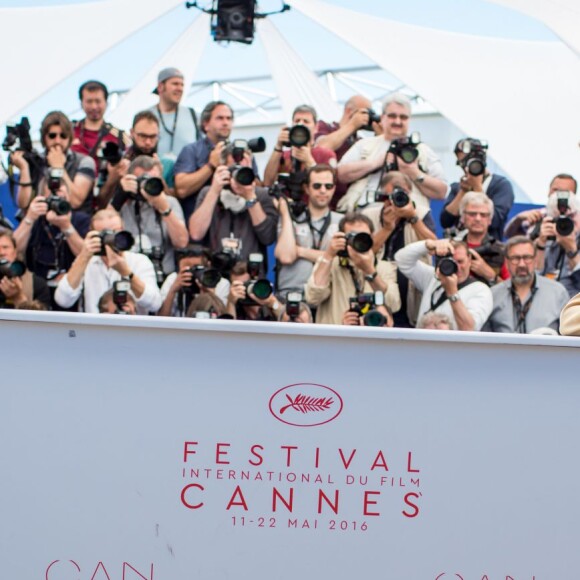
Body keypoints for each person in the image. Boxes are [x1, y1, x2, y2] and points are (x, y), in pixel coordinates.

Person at [337, 92, 447, 212]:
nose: (397, 121)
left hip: (408, 218)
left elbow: (442, 192)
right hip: (366, 218)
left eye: (403, 117)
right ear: (382, 117)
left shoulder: (422, 150)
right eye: (392, 116)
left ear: (409, 120)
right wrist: (374, 163)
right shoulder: (365, 145)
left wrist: (414, 172)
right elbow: (340, 174)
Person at [362, 171, 436, 327]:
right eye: (389, 196)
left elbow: (434, 246)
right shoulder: (370, 214)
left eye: (399, 194)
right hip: (377, 286)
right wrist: (387, 228)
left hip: (410, 288)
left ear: (409, 192)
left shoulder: (422, 213)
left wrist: (413, 218)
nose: (394, 201)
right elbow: (363, 253)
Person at [54, 207, 162, 314]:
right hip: (95, 328)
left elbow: (155, 304)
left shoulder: (139, 261)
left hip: (131, 328)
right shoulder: (87, 263)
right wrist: (83, 256)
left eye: (116, 232)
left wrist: (126, 273)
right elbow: (63, 300)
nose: (112, 238)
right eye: (105, 234)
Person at [188, 142, 277, 267]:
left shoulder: (261, 195)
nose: (237, 175)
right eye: (234, 169)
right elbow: (196, 233)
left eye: (242, 169)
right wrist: (214, 190)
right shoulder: (209, 193)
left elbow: (268, 237)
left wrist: (250, 196)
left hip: (249, 272)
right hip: (216, 274)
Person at [304, 212, 400, 325]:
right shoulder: (330, 264)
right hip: (335, 338)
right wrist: (328, 255)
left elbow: (394, 305)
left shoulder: (385, 267)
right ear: (342, 238)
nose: (358, 240)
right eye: (353, 236)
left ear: (372, 238)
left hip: (370, 338)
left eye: (363, 236)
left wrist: (370, 271)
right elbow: (313, 298)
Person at [12, 179, 89, 306]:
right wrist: (29, 219)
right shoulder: (36, 218)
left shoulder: (80, 220)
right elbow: (13, 250)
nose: (57, 200)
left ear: (68, 196)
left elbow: (86, 255)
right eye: (53, 195)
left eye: (61, 194)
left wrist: (66, 227)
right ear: (43, 198)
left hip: (71, 290)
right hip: (38, 289)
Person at [111, 156, 188, 281]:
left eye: (153, 180)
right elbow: (103, 227)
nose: (148, 185)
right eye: (143, 179)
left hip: (162, 275)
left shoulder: (170, 203)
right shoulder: (123, 204)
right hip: (130, 274)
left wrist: (164, 209)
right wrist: (119, 196)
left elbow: (181, 243)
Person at [395, 238, 492, 331]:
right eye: (451, 262)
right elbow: (401, 259)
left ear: (469, 259)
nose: (456, 267)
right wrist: (428, 245)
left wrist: (452, 293)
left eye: (460, 261)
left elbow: (469, 328)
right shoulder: (432, 278)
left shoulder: (481, 290)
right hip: (422, 344)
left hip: (452, 347)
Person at [275, 164, 342, 299]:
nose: (323, 191)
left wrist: (300, 251)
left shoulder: (342, 221)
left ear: (334, 189)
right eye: (317, 186)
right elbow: (286, 256)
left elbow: (340, 261)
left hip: (328, 296)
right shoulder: (291, 218)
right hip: (291, 293)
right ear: (307, 188)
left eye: (328, 186)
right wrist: (286, 213)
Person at [174, 100, 248, 222]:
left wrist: (245, 170)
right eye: (220, 118)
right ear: (205, 124)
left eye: (229, 119)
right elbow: (181, 190)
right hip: (199, 226)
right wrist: (210, 166)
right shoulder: (191, 151)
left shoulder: (241, 151)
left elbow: (259, 187)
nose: (225, 123)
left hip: (235, 226)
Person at [14, 111, 96, 214]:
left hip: (73, 224)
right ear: (44, 137)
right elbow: (23, 203)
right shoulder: (35, 160)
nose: (58, 141)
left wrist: (58, 167)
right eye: (52, 136)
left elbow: (75, 202)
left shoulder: (84, 161)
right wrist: (24, 168)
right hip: (39, 224)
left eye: (63, 136)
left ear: (70, 137)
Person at [484, 236, 569, 334]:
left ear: (535, 260)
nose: (521, 264)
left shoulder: (558, 292)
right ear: (506, 262)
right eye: (515, 258)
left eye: (527, 257)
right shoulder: (493, 295)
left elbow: (568, 336)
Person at [440, 138, 514, 240]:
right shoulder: (457, 187)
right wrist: (463, 191)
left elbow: (495, 220)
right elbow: (445, 221)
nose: (467, 166)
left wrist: (477, 186)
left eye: (470, 161)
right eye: (462, 163)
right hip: (459, 245)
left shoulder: (501, 185)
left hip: (489, 248)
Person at [263, 105, 336, 187]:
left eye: (306, 121)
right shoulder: (285, 155)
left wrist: (310, 162)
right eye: (297, 121)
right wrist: (278, 147)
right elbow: (267, 182)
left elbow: (328, 188)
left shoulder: (326, 154)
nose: (301, 124)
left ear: (316, 128)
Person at [71, 80, 130, 170]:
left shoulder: (120, 136)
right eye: (89, 101)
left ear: (106, 103)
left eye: (98, 101)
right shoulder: (68, 132)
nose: (94, 106)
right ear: (81, 103)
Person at [158, 245, 230, 317]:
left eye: (196, 267)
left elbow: (223, 320)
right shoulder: (172, 279)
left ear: (208, 266)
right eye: (187, 268)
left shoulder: (220, 283)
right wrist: (172, 291)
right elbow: (161, 318)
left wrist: (210, 294)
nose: (192, 272)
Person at [453, 192, 509, 285]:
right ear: (462, 217)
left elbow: (512, 292)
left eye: (483, 215)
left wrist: (490, 275)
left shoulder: (502, 251)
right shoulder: (451, 247)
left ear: (490, 219)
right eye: (472, 214)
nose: (478, 218)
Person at [534, 190, 580, 298]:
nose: (565, 224)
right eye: (559, 220)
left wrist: (571, 250)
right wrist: (540, 245)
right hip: (546, 303)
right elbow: (532, 281)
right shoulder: (547, 241)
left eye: (571, 216)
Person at [504, 173, 578, 239]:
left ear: (574, 195)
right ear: (549, 192)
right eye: (555, 190)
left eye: (565, 192)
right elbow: (509, 235)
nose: (559, 195)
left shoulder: (578, 221)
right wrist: (518, 219)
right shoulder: (537, 216)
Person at [149, 67, 199, 159]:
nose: (180, 88)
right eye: (175, 84)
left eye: (182, 85)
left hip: (189, 172)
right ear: (160, 87)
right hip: (155, 171)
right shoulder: (147, 116)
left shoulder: (193, 115)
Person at [0, 230, 50, 309]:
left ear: (15, 252)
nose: (2, 253)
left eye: (5, 247)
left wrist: (18, 297)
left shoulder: (37, 284)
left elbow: (40, 319)